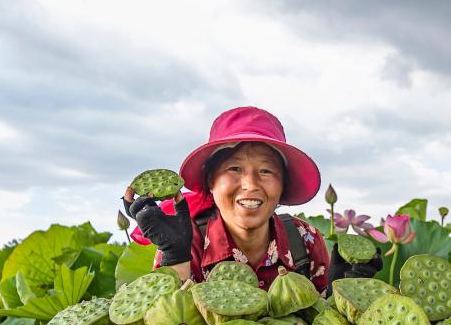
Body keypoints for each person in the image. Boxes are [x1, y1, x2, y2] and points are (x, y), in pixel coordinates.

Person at [122, 106, 381, 294]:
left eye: (266, 171)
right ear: (211, 182)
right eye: (234, 169)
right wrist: (174, 256)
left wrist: (341, 294)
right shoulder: (186, 239)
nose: (250, 184)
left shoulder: (305, 239)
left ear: (282, 186)